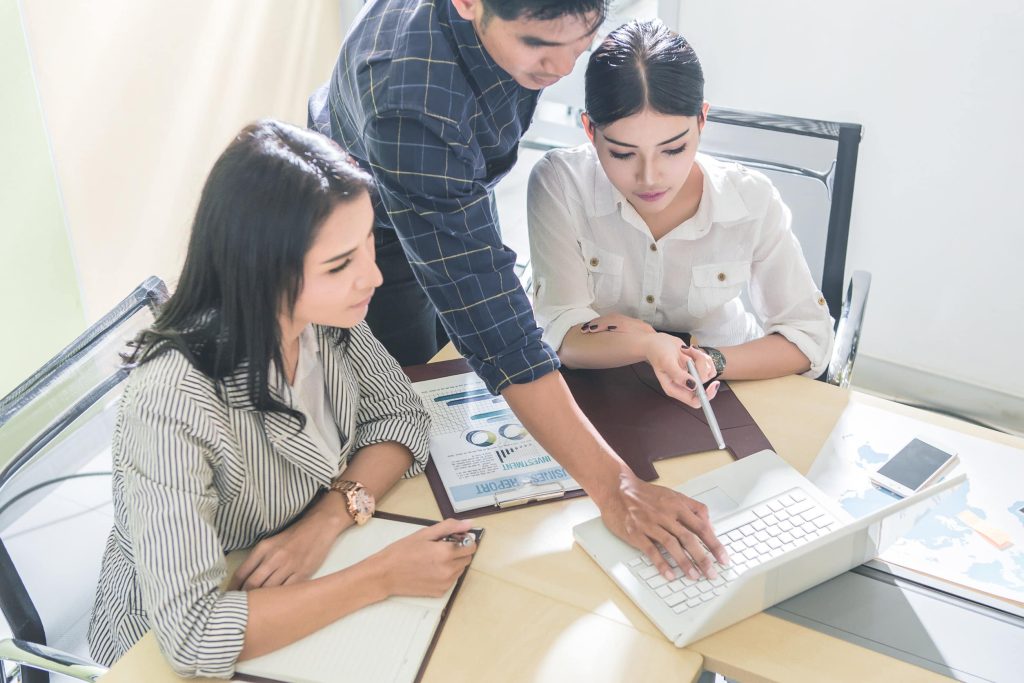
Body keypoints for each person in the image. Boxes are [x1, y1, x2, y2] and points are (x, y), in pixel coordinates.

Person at [311, 0, 727, 585]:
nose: (560, 67)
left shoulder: (526, 45)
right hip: (371, 216)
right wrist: (617, 487)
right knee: (403, 414)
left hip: (451, 182)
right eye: (537, 45)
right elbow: (491, 311)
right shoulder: (413, 96)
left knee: (456, 375)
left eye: (579, 40)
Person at [87, 120, 477, 677]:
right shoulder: (170, 402)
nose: (372, 277)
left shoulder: (319, 318)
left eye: (369, 242)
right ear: (260, 271)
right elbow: (194, 635)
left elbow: (401, 417)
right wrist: (382, 575)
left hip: (293, 577)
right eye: (340, 264)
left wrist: (326, 519)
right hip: (164, 647)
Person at [528, 19, 835, 406]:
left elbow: (810, 339)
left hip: (725, 386)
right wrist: (648, 344)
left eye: (672, 149)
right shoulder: (560, 182)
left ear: (702, 120)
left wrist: (709, 361)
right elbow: (563, 333)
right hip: (603, 393)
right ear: (589, 131)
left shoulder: (751, 200)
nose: (649, 177)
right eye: (623, 153)